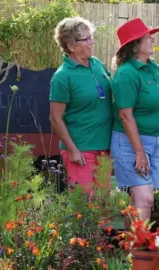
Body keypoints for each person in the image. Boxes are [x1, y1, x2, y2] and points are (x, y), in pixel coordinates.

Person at [110, 18, 159, 222]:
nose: (153, 39)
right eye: (147, 37)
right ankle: (139, 250)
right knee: (145, 199)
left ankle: (132, 250)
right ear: (135, 44)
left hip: (153, 142)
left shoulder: (152, 68)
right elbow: (125, 116)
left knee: (139, 200)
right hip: (132, 143)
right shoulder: (127, 74)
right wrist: (139, 152)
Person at [49, 17, 112, 196]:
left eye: (90, 37)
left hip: (104, 147)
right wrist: (72, 149)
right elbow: (55, 117)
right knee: (84, 206)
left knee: (103, 204)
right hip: (81, 149)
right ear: (71, 45)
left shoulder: (97, 64)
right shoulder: (62, 77)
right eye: (87, 39)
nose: (92, 42)